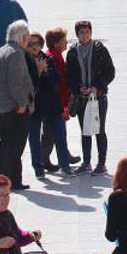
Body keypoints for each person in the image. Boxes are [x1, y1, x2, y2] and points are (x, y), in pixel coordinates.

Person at [65, 20, 115, 175]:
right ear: (77, 34)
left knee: (99, 129)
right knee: (85, 130)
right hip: (82, 98)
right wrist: (78, 88)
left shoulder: (100, 49)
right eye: (81, 32)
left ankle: (102, 162)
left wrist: (97, 87)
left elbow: (110, 72)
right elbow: (69, 76)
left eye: (87, 32)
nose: (85, 35)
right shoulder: (73, 52)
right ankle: (86, 162)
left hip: (98, 97)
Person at [0, 20, 34, 189]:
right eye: (28, 37)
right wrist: (22, 103)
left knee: (6, 144)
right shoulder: (16, 54)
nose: (29, 40)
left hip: (2, 106)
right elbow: (15, 82)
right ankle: (14, 181)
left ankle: (3, 179)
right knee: (16, 146)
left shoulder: (1, 51)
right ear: (22, 37)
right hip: (14, 108)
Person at [26, 32, 75, 179]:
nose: (34, 46)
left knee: (60, 135)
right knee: (34, 138)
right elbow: (27, 83)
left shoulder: (48, 58)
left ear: (41, 44)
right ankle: (38, 168)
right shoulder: (24, 61)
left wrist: (46, 70)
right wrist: (38, 71)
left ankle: (65, 166)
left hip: (52, 104)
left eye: (37, 43)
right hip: (34, 106)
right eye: (30, 44)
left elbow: (56, 79)